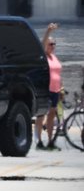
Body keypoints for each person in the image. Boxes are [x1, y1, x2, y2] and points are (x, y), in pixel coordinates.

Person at [35, 23, 62, 151]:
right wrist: (48, 31)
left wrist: (61, 88)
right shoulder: (43, 57)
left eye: (54, 44)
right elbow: (42, 43)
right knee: (41, 115)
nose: (53, 46)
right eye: (50, 44)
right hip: (46, 89)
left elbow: (57, 74)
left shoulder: (54, 57)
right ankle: (39, 142)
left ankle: (50, 141)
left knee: (51, 115)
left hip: (55, 90)